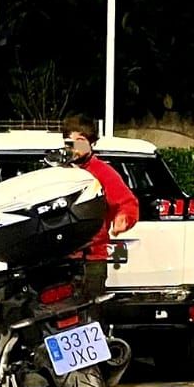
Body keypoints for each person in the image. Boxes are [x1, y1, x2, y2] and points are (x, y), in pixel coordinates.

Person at [59, 115, 139, 300]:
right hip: (61, 257)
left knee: (90, 313)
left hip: (92, 258)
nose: (75, 146)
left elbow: (127, 203)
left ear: (91, 143)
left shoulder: (103, 171)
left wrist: (122, 220)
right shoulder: (59, 170)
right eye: (70, 141)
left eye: (81, 141)